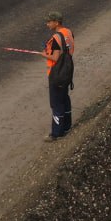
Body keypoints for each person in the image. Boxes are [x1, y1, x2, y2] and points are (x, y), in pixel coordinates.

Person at [41, 11, 73, 140]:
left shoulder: (55, 38)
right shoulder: (68, 33)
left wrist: (43, 54)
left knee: (56, 103)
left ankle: (57, 133)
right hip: (67, 70)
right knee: (64, 98)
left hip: (57, 74)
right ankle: (67, 125)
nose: (47, 24)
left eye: (49, 21)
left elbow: (55, 57)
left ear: (56, 22)